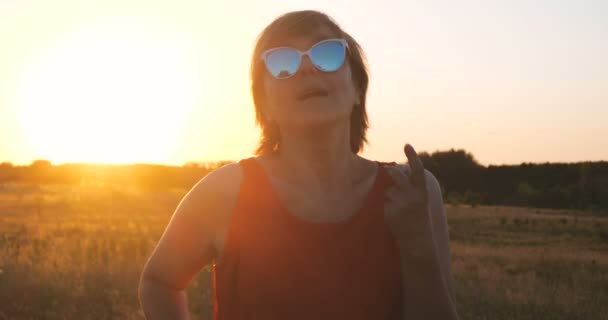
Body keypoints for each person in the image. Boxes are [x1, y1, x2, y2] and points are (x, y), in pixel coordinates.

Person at [138, 10, 458, 320]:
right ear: (264, 103)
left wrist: (417, 244)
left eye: (327, 54)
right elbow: (159, 282)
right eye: (282, 62)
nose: (307, 69)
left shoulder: (411, 191)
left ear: (357, 88)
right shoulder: (226, 191)